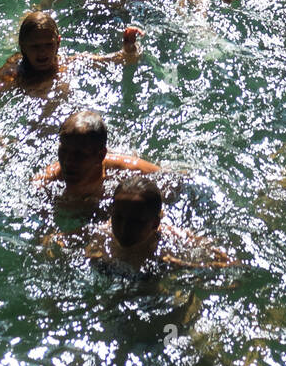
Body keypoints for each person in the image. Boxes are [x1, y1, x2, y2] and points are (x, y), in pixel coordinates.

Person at [0, 11, 142, 118]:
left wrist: (128, 46)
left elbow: (123, 59)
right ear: (23, 47)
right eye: (35, 47)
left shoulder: (68, 63)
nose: (42, 53)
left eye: (49, 45)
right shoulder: (14, 75)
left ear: (58, 43)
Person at [86, 178, 232, 275]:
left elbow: (231, 264)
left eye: (136, 222)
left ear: (155, 224)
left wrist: (188, 268)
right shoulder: (100, 235)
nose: (124, 228)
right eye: (118, 217)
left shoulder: (174, 243)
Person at [37, 111, 159, 206]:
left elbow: (173, 179)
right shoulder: (48, 180)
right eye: (63, 150)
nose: (68, 161)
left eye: (79, 155)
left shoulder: (128, 170)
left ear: (100, 156)